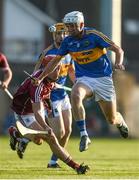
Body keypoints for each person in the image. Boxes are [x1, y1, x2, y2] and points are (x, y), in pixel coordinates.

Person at [33, 11, 129, 152]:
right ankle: (84, 135)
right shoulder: (68, 41)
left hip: (103, 79)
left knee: (111, 119)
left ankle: (120, 122)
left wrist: (119, 63)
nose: (69, 29)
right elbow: (54, 62)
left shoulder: (94, 35)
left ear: (82, 25)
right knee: (76, 94)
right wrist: (40, 77)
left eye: (73, 26)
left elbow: (118, 50)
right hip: (85, 79)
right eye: (68, 26)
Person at [8, 68, 89, 174]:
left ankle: (17, 134)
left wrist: (49, 107)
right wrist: (46, 127)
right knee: (51, 138)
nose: (59, 71)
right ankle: (76, 167)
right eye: (56, 69)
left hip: (35, 107)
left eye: (59, 68)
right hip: (24, 112)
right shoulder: (37, 86)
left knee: (39, 141)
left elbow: (46, 95)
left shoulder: (51, 80)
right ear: (48, 70)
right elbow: (37, 112)